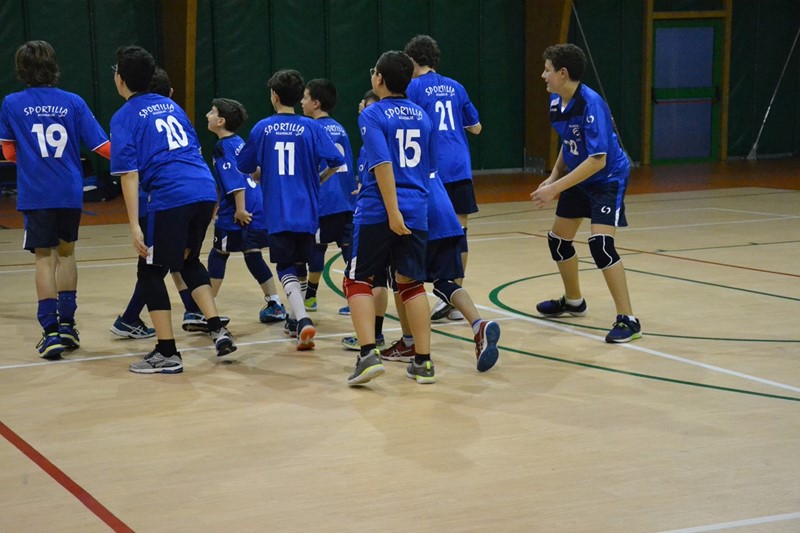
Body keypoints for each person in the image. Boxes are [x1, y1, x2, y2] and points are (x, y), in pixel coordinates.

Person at [111, 45, 236, 374]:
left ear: (120, 79)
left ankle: (167, 352)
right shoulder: (171, 106)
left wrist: (134, 226)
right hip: (203, 188)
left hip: (172, 195)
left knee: (150, 271)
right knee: (187, 260)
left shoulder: (124, 116)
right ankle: (217, 329)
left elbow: (129, 174)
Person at [0, 40, 110, 359]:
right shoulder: (73, 101)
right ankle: (68, 325)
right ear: (53, 66)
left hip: (37, 193)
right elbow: (102, 147)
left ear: (22, 69)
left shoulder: (12, 103)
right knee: (67, 253)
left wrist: (31, 161)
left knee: (44, 259)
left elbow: (7, 151)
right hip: (69, 191)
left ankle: (50, 333)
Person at [530, 43, 642, 343]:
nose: (543, 75)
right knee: (558, 240)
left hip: (606, 178)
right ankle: (574, 301)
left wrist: (555, 189)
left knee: (601, 245)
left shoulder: (591, 104)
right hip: (580, 175)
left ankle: (628, 319)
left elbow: (597, 160)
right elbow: (569, 142)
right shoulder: (556, 102)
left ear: (563, 73)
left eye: (547, 70)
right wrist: (553, 176)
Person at [237, 69, 345, 350]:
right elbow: (337, 159)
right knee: (299, 264)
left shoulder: (262, 128)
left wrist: (260, 173)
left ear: (274, 96)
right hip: (307, 210)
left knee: (285, 266)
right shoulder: (312, 127)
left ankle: (303, 319)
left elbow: (244, 166)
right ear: (299, 97)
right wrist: (318, 180)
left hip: (279, 210)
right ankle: (295, 319)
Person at [344, 51, 434, 386]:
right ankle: (423, 362)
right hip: (416, 206)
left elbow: (382, 164)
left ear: (379, 78)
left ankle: (368, 354)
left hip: (379, 209)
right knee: (411, 283)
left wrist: (392, 211)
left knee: (357, 280)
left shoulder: (372, 113)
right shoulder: (422, 115)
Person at [110, 66, 210, 339]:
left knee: (165, 261)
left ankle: (189, 310)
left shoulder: (136, 116)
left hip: (162, 195)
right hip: (159, 198)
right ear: (170, 92)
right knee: (158, 264)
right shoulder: (169, 112)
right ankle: (134, 319)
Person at [404, 34, 482, 323]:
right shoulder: (456, 86)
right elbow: (476, 127)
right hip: (460, 166)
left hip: (432, 169)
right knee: (460, 233)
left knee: (425, 231)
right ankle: (455, 296)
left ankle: (422, 292)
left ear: (412, 60)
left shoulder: (412, 87)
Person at [205, 97, 286, 323]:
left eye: (212, 112)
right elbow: (255, 171)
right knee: (252, 254)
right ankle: (275, 303)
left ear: (221, 121)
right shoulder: (239, 142)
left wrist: (239, 209)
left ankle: (205, 308)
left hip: (239, 210)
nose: (207, 115)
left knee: (218, 253)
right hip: (257, 206)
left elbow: (236, 181)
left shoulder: (222, 147)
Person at [299, 78, 357, 314]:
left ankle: (310, 297)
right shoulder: (340, 128)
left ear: (316, 103)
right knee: (348, 249)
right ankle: (357, 297)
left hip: (325, 199)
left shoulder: (311, 129)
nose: (301, 102)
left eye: (305, 97)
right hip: (347, 198)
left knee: (317, 247)